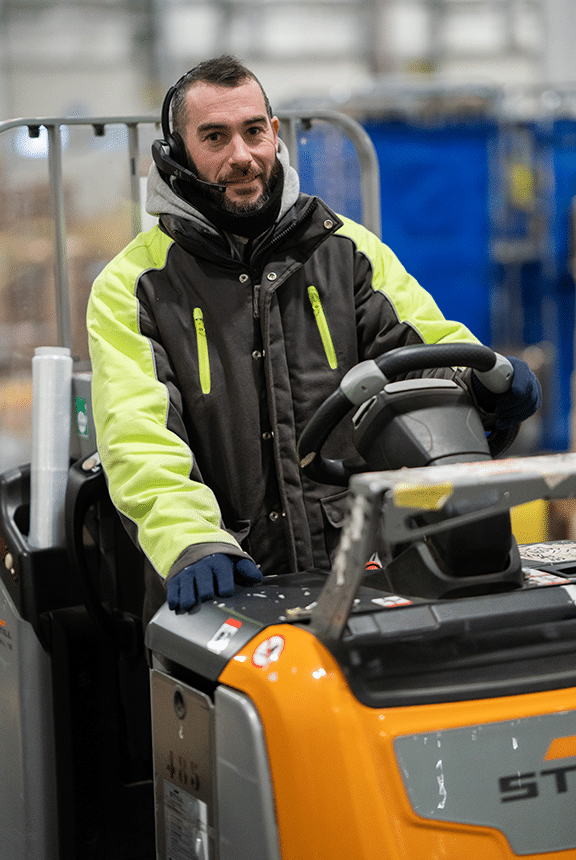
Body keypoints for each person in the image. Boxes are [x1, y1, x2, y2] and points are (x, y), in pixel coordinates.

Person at [86, 54, 541, 622]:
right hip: (222, 585)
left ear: (275, 134)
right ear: (176, 152)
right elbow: (139, 439)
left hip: (358, 578)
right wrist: (191, 541)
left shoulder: (347, 251)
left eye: (254, 131)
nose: (242, 155)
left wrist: (481, 385)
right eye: (215, 137)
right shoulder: (133, 287)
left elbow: (421, 354)